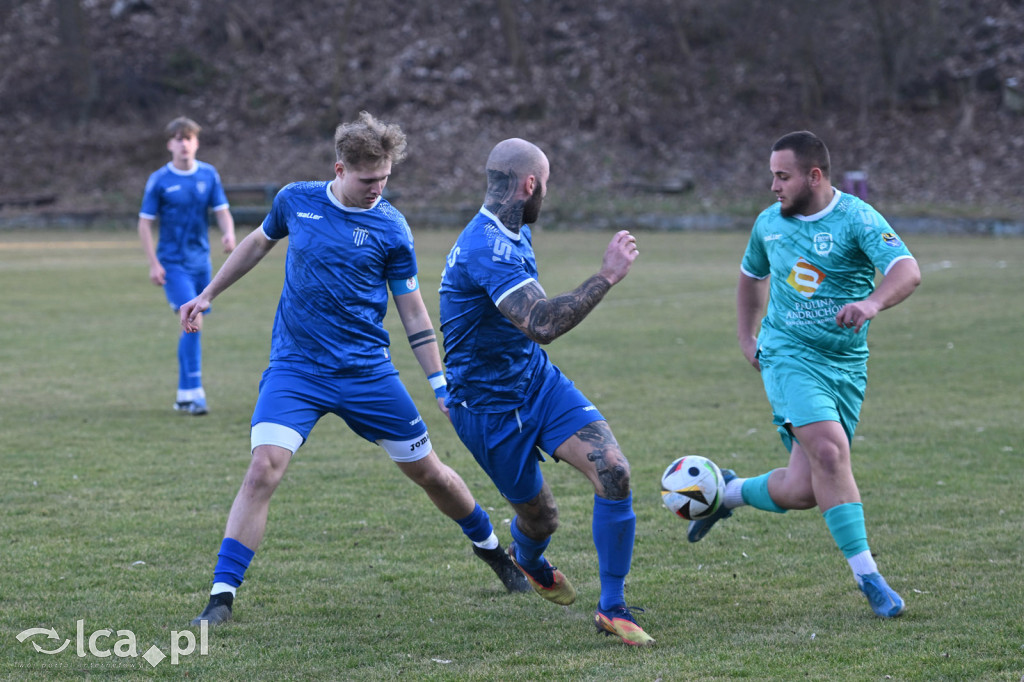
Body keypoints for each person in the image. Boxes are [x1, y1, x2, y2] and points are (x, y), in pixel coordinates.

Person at [183, 112, 528, 627]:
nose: (378, 189)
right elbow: (258, 242)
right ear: (340, 168)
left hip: (367, 373)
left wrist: (438, 382)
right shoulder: (295, 200)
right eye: (369, 180)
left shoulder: (391, 226)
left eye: (385, 179)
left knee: (428, 472)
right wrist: (208, 293)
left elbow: (412, 309)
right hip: (296, 369)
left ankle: (492, 548)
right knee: (263, 469)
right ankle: (221, 599)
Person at [689, 130, 921, 619]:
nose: (773, 186)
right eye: (772, 175)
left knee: (803, 489)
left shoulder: (857, 218)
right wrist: (747, 337)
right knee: (830, 452)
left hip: (844, 363)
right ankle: (870, 580)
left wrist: (872, 302)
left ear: (814, 176)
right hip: (787, 355)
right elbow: (751, 278)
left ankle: (726, 493)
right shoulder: (768, 225)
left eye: (782, 176)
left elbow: (906, 270)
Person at [438, 138, 654, 646]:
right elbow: (541, 322)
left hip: (537, 384)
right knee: (541, 518)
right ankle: (529, 559)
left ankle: (613, 607)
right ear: (529, 184)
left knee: (614, 470)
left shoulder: (514, 230)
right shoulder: (485, 248)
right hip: (487, 410)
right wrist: (607, 275)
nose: (546, 195)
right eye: (546, 185)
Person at [138, 116, 237, 416]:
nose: (184, 143)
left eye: (189, 138)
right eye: (178, 138)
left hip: (201, 264)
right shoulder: (160, 180)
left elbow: (222, 211)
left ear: (197, 142)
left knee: (191, 326)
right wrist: (153, 263)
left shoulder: (208, 175)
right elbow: (144, 223)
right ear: (170, 144)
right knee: (194, 321)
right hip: (173, 265)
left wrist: (229, 233)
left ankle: (184, 395)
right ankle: (195, 394)